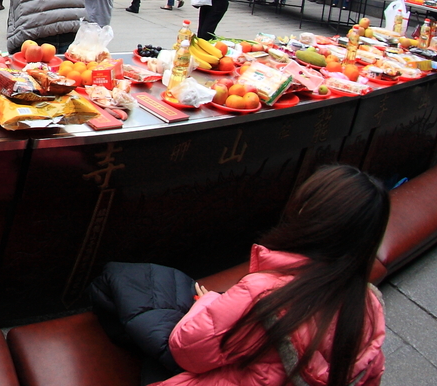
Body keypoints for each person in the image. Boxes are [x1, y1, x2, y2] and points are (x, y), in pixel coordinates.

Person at [154, 165, 388, 386]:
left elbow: (186, 350)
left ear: (310, 216)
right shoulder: (370, 310)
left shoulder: (265, 293)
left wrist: (209, 301)